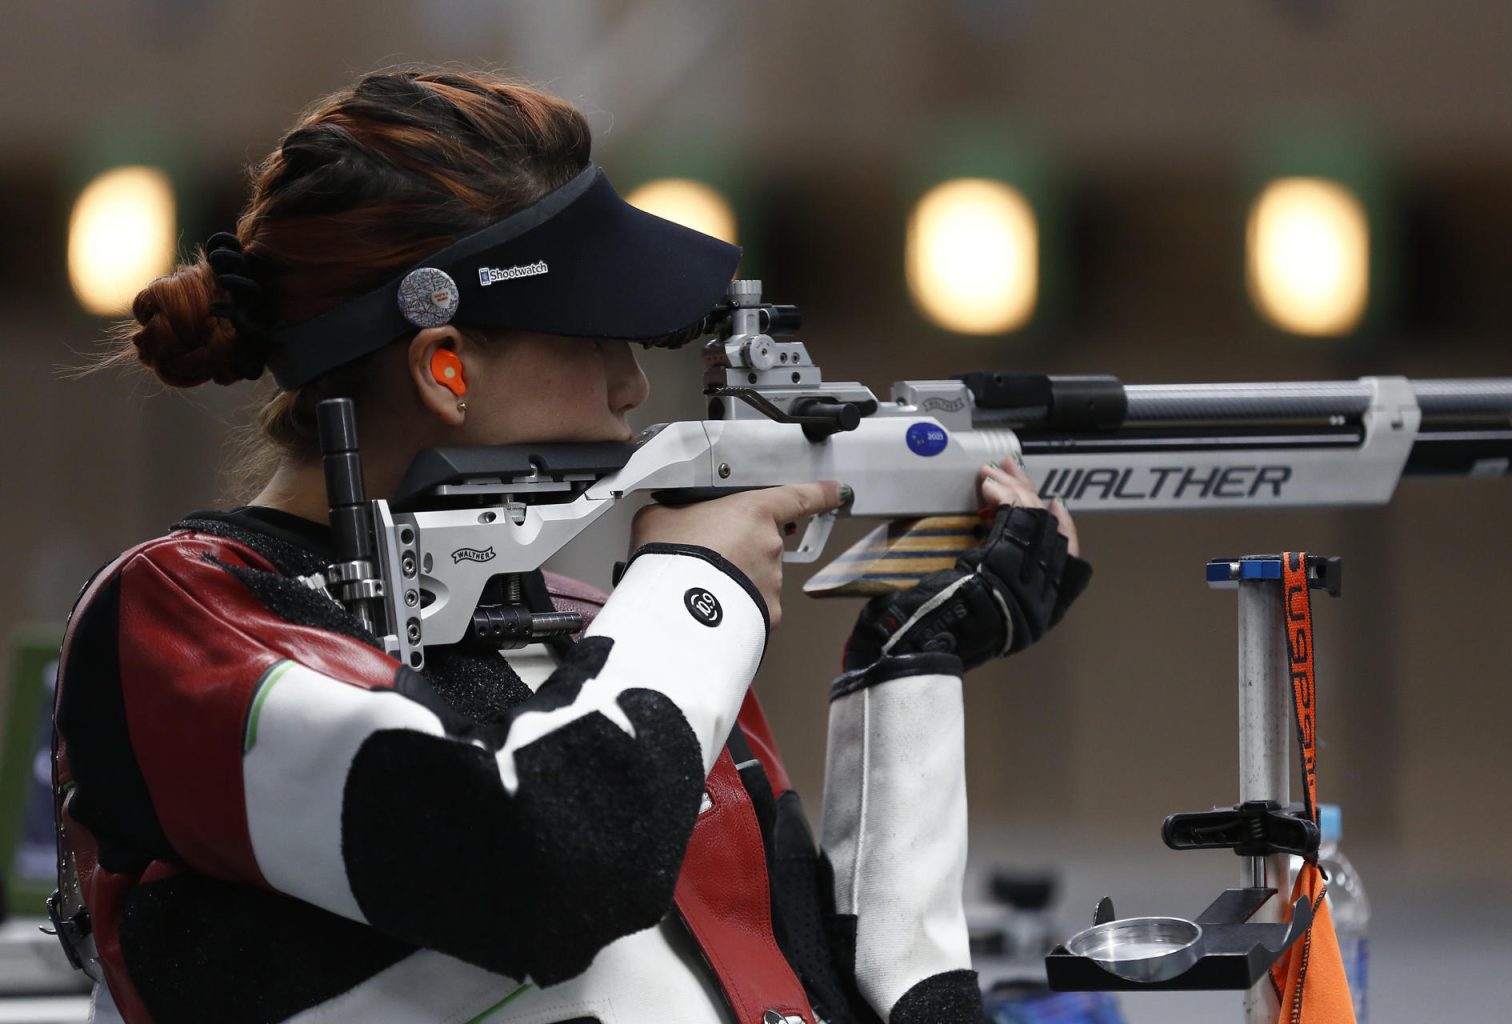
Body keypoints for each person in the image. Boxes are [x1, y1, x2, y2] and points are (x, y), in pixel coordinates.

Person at [52, 69, 1090, 1024]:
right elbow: (545, 867)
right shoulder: (180, 616)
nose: (632, 390)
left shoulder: (610, 638)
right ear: (445, 368)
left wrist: (908, 666)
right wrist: (695, 587)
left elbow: (840, 996)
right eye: (596, 340)